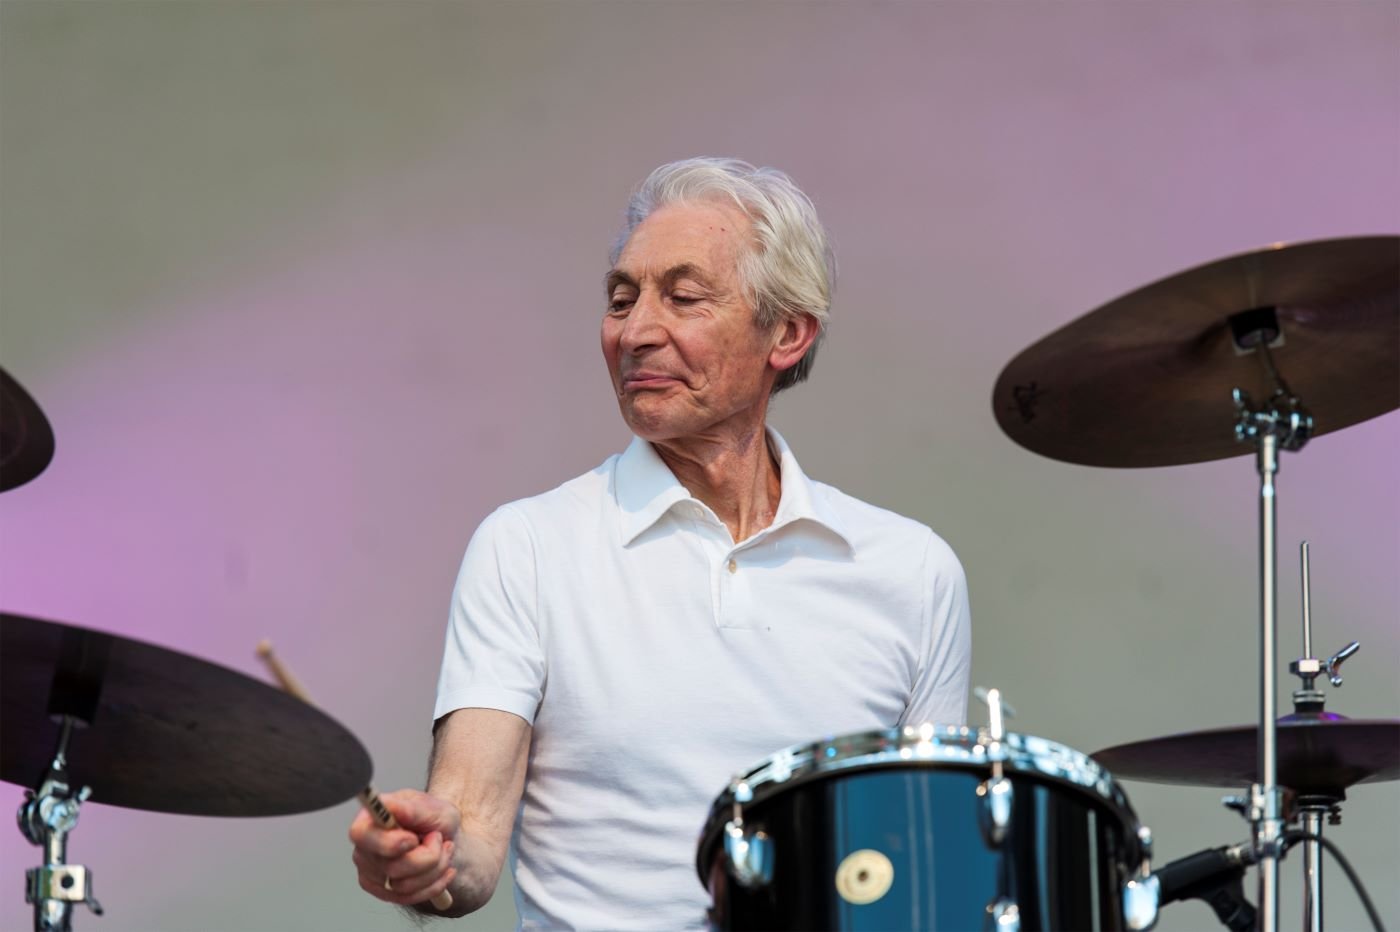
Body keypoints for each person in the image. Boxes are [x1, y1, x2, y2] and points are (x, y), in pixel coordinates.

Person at [348, 158, 971, 929]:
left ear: (787, 332)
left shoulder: (912, 570)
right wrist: (427, 856)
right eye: (621, 299)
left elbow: (927, 864)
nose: (635, 332)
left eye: (683, 297)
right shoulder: (527, 547)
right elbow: (469, 835)